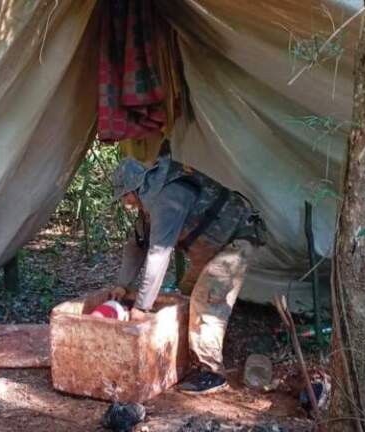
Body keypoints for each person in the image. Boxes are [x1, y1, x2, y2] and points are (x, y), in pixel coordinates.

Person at [109, 156, 266, 395]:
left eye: (124, 196)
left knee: (205, 299)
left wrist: (141, 306)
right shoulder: (149, 200)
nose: (125, 203)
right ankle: (193, 347)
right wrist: (122, 285)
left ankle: (212, 372)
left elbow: (159, 254)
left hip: (236, 239)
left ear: (133, 189)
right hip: (213, 246)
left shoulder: (167, 196)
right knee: (188, 289)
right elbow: (138, 245)